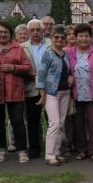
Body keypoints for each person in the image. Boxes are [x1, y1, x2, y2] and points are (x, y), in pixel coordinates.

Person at [0, 21, 31, 163]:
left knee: (17, 121)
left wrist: (13, 67)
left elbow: (27, 67)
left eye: (5, 32)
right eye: (0, 32)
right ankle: (1, 150)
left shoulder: (18, 48)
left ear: (10, 34)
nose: (3, 34)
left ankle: (22, 150)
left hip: (15, 90)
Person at [67, 23, 93, 162]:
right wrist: (68, 77)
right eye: (81, 36)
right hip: (76, 94)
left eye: (86, 36)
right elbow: (65, 69)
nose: (83, 39)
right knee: (78, 123)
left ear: (91, 38)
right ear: (76, 37)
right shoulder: (69, 53)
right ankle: (82, 150)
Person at [36, 25, 70, 166]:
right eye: (56, 37)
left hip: (65, 92)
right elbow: (41, 75)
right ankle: (49, 155)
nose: (59, 40)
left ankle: (56, 153)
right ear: (52, 38)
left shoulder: (65, 54)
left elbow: (68, 71)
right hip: (51, 93)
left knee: (61, 124)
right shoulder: (47, 54)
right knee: (54, 123)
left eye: (62, 38)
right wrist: (42, 94)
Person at [22, 19, 51, 160]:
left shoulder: (52, 44)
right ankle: (34, 148)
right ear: (28, 32)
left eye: (38, 30)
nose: (35, 32)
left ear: (43, 31)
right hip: (32, 87)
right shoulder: (22, 47)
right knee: (33, 120)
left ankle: (53, 148)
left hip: (51, 87)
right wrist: (27, 72)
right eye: (32, 30)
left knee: (52, 119)